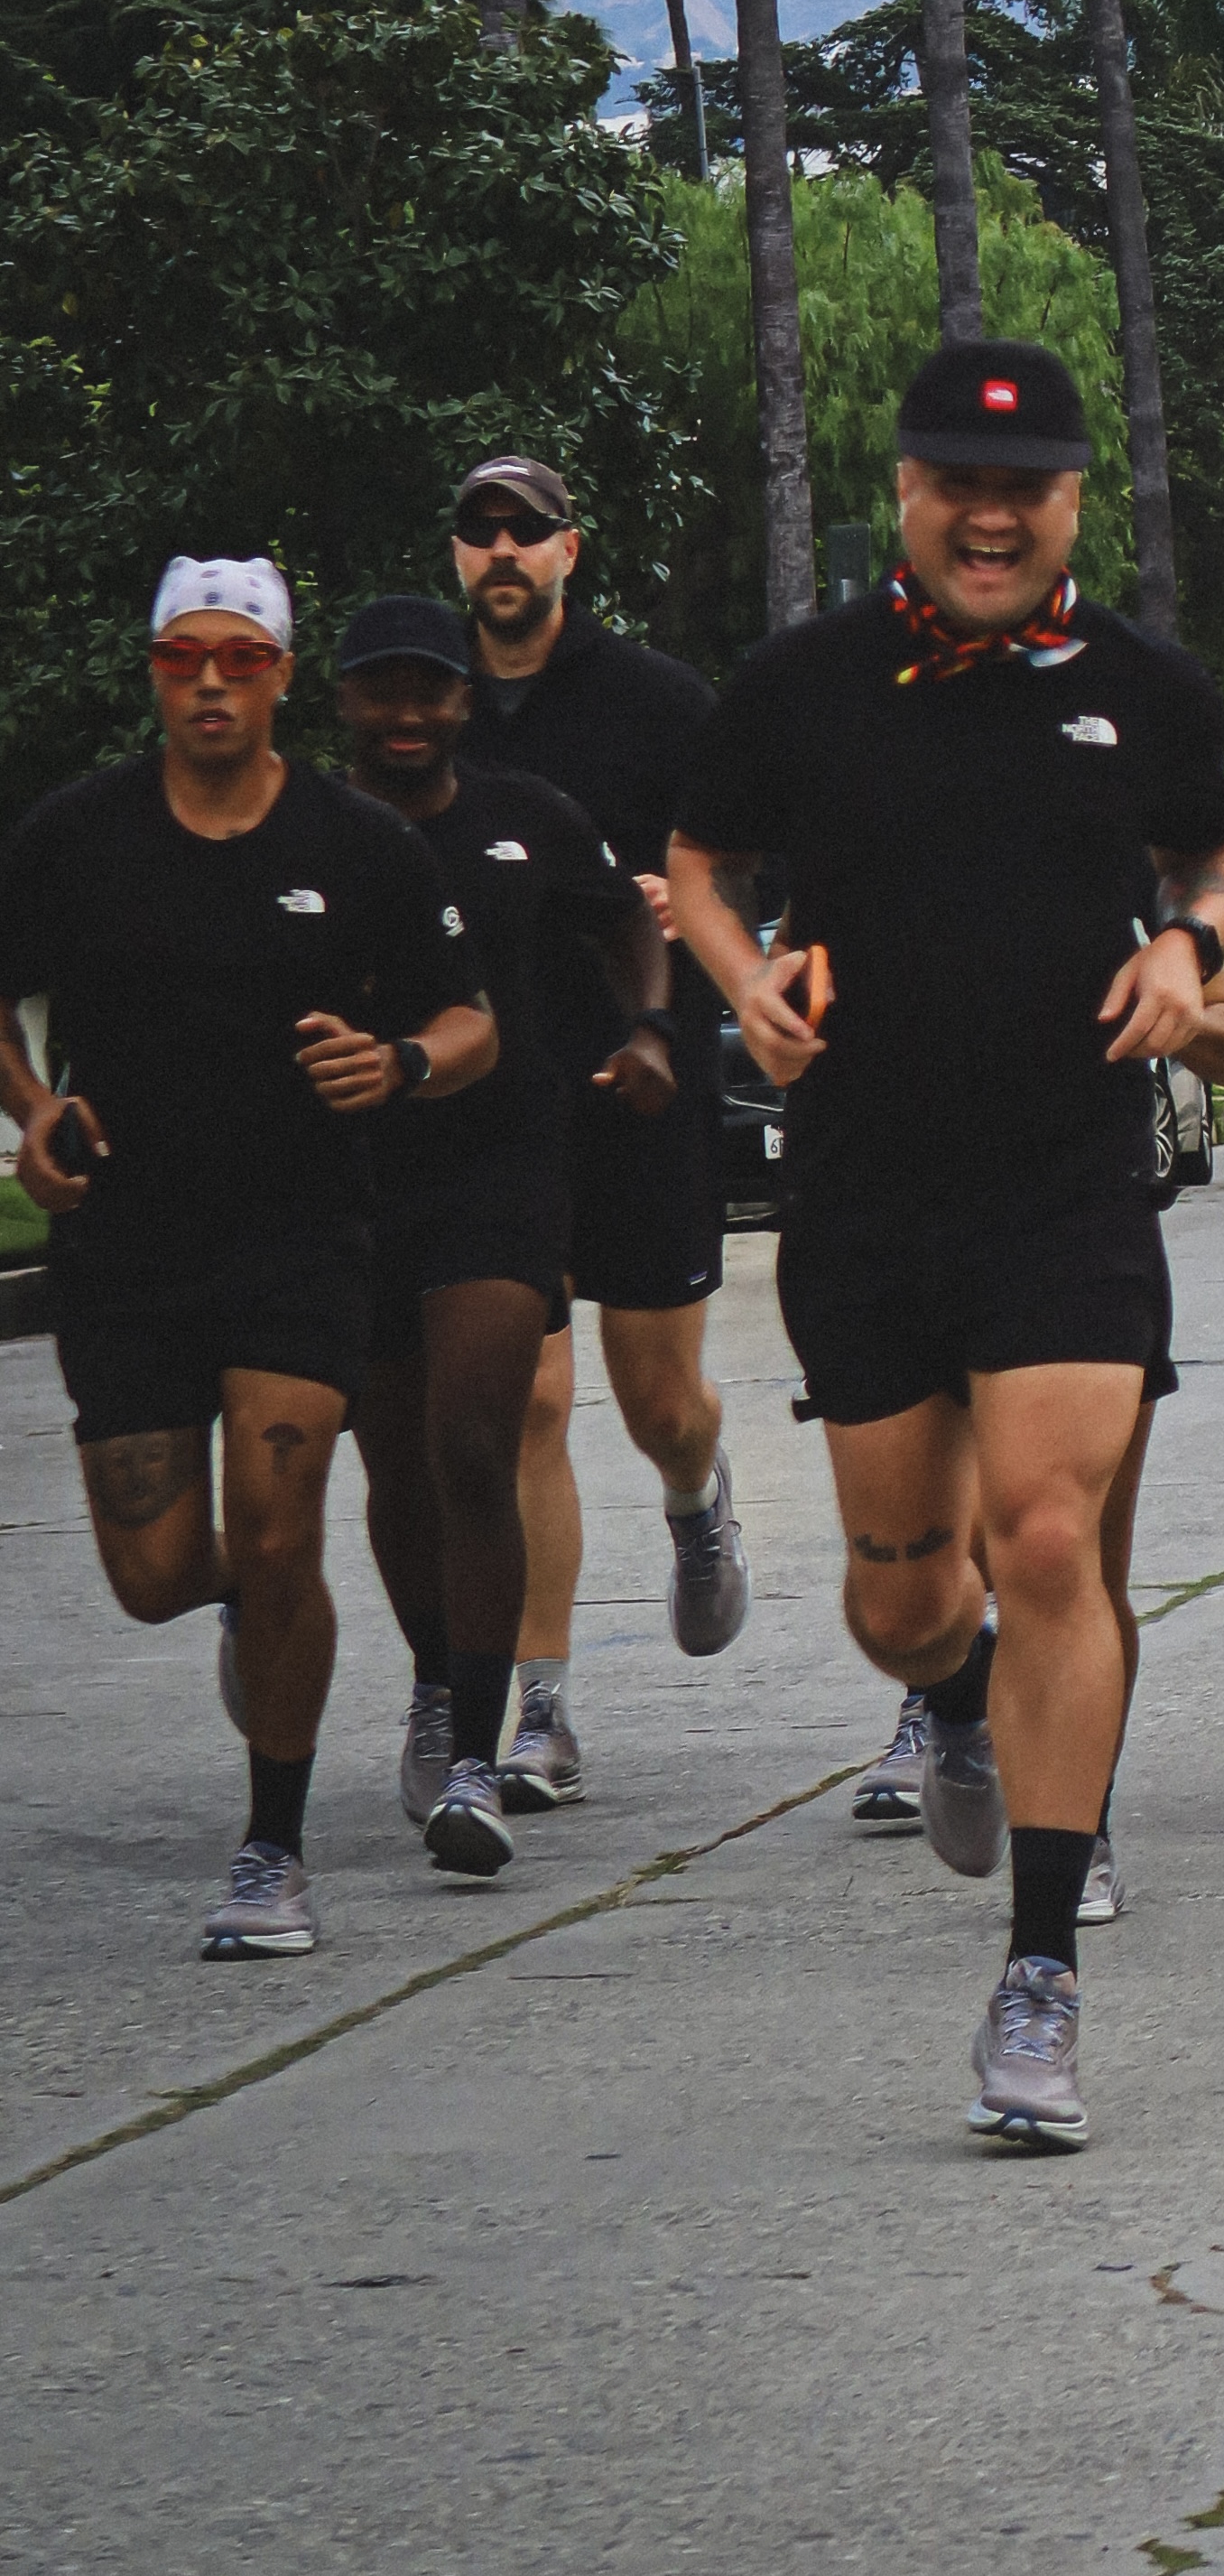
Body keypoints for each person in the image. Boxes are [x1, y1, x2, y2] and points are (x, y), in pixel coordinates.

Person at [664, 342, 1224, 2152]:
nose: (990, 518)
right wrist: (744, 978)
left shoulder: (1142, 686)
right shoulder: (802, 682)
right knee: (903, 1596)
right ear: (905, 493)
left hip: (1066, 1180)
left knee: (1054, 1533)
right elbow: (697, 856)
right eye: (956, 485)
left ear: (1073, 502)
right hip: (865, 1193)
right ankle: (952, 1692)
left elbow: (1216, 851)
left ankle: (1039, 1971)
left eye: (1025, 490)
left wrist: (1188, 946)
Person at [0, 559, 491, 1956]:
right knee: (155, 1573)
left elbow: (470, 1024)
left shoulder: (359, 845)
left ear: (280, 678)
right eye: (183, 659)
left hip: (300, 1237)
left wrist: (397, 1063)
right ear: (155, 671)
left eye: (239, 659)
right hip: (127, 1249)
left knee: (283, 1530)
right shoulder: (75, 836)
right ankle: (243, 1604)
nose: (209, 683)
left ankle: (272, 1851)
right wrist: (34, 1114)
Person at [331, 594, 673, 1882]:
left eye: (430, 688)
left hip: (505, 1165)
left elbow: (623, 916)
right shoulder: (316, 831)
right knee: (394, 1458)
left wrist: (648, 1028)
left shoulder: (525, 816)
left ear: (464, 701)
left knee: (474, 1440)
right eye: (383, 688)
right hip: (361, 1177)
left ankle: (473, 1756)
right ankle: (437, 1681)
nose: (406, 712)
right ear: (344, 700)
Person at [449, 452, 745, 1804]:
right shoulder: (430, 708)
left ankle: (696, 1495)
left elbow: (741, 855)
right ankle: (542, 1712)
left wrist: (689, 900)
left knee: (657, 1403)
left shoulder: (657, 701)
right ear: (460, 555)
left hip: (643, 1079)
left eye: (528, 530)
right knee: (530, 1400)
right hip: (494, 1099)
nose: (503, 550)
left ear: (571, 550)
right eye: (481, 531)